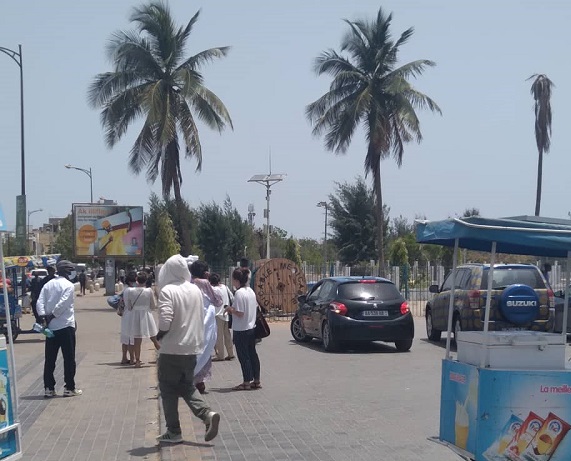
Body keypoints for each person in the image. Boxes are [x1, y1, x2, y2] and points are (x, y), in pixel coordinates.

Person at [155, 254, 220, 444]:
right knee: (186, 386)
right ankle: (207, 414)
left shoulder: (168, 290)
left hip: (172, 349)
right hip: (192, 347)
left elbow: (166, 320)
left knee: (167, 389)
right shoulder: (194, 290)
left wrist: (159, 335)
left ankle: (173, 431)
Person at [36, 260, 82, 398]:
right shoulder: (68, 285)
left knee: (50, 359)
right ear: (67, 271)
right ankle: (69, 387)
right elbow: (63, 303)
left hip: (50, 329)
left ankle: (49, 388)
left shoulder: (48, 285)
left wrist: (44, 317)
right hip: (65, 326)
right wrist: (52, 316)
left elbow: (40, 302)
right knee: (69, 358)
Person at [189, 260, 223, 394]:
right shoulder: (204, 283)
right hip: (205, 321)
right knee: (204, 351)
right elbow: (217, 300)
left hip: (191, 322)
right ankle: (199, 381)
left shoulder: (188, 283)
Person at [227, 267, 262, 391]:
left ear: (237, 280)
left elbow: (240, 312)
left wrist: (230, 310)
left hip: (241, 329)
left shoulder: (239, 293)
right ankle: (256, 380)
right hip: (251, 327)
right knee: (252, 354)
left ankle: (246, 381)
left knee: (244, 356)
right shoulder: (251, 291)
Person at [124, 271, 160, 367]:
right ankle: (162, 356)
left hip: (134, 315)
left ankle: (137, 361)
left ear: (136, 280)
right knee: (153, 337)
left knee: (136, 339)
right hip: (146, 315)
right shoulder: (149, 291)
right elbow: (153, 305)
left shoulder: (130, 291)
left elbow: (128, 305)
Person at [209, 273, 234, 362]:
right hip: (226, 314)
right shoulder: (225, 287)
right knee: (227, 335)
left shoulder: (212, 289)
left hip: (217, 315)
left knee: (219, 336)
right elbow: (232, 297)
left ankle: (220, 355)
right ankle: (231, 353)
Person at [120, 271, 138, 365]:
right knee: (132, 338)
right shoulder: (133, 290)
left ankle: (124, 357)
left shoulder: (125, 289)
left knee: (125, 338)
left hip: (125, 315)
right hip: (132, 315)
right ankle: (132, 359)